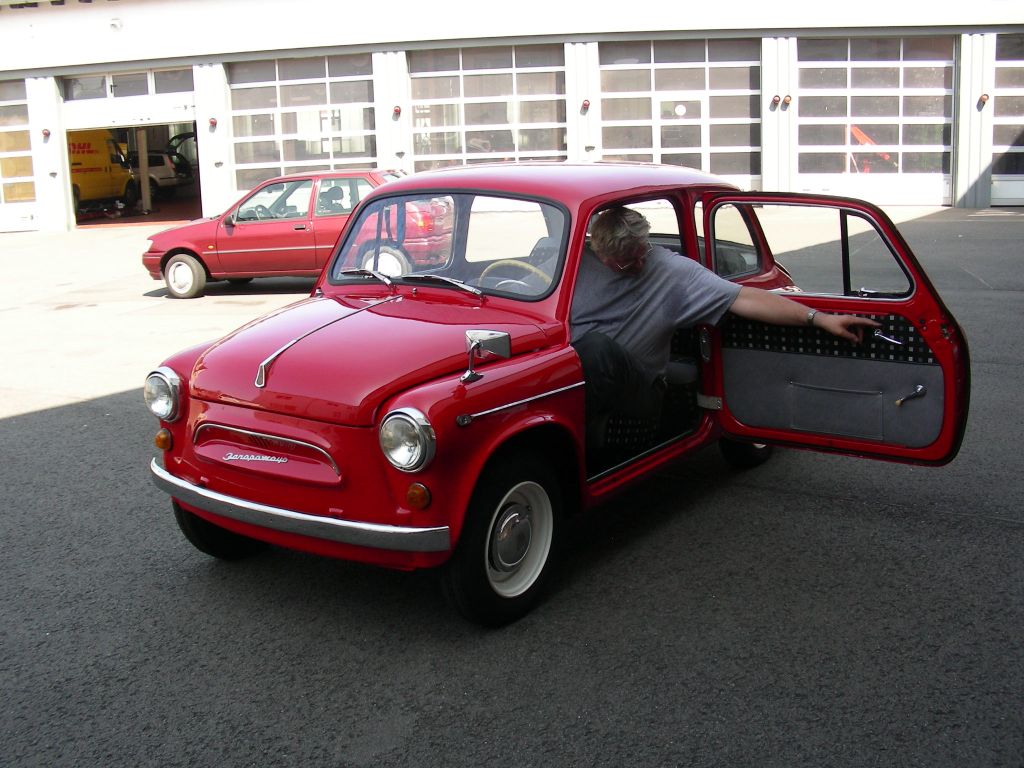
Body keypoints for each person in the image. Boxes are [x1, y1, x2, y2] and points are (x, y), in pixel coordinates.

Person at [570, 206, 879, 447]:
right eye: (627, 262)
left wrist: (819, 318)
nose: (640, 265)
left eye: (643, 253)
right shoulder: (575, 264)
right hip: (572, 372)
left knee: (597, 350)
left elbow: (745, 298)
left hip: (640, 386)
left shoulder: (670, 271)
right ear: (598, 250)